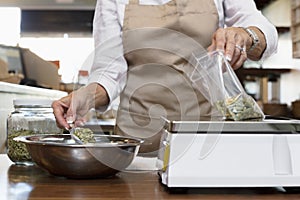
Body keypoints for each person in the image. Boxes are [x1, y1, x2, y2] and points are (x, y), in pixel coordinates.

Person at [52, 0, 278, 156]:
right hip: (140, 143)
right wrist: (85, 97)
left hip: (209, 136)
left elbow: (265, 32)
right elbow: (109, 72)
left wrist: (246, 35)